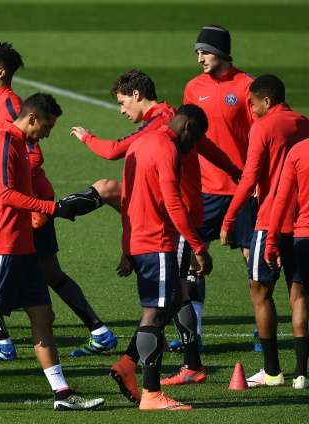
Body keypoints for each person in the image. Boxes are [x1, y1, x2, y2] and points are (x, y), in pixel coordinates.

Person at [71, 70, 239, 387]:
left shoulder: (160, 127)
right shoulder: (174, 118)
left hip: (173, 221)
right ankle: (190, 365)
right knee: (177, 293)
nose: (122, 110)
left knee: (167, 299)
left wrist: (87, 138)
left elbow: (113, 151)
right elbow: (208, 147)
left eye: (123, 102)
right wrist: (238, 172)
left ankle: (140, 370)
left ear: (136, 95)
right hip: (181, 215)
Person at [0, 93, 104, 413]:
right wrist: (52, 208)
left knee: (43, 315)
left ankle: (62, 393)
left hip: (23, 247)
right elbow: (4, 194)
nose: (47, 134)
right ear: (32, 118)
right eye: (47, 126)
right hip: (4, 246)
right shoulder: (6, 141)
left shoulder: (16, 143)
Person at [0, 42, 116, 362]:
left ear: (0, 72)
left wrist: (30, 202)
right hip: (31, 202)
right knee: (50, 273)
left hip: (25, 206)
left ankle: (2, 344)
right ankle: (99, 332)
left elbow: (30, 155)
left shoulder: (10, 106)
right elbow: (5, 154)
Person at [110, 105, 213, 411]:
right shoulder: (167, 149)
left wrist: (126, 246)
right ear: (188, 126)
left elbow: (127, 199)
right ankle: (151, 392)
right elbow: (173, 202)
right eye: (195, 138)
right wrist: (198, 247)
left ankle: (128, 365)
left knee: (166, 305)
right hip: (157, 242)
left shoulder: (140, 143)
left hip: (140, 241)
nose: (193, 145)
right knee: (155, 314)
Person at [220, 74, 309, 387]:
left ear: (267, 101)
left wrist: (229, 218)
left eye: (253, 103)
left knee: (259, 293)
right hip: (301, 224)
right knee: (299, 295)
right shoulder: (304, 123)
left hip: (270, 220)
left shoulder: (263, 127)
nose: (251, 109)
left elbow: (250, 177)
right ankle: (301, 371)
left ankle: (272, 371)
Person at [183, 25, 256, 347]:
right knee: (193, 258)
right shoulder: (193, 88)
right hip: (206, 189)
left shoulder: (247, 87)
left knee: (253, 261)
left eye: (205, 52)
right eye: (198, 52)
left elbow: (261, 136)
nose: (200, 58)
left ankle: (262, 330)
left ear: (222, 53)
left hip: (243, 190)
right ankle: (193, 333)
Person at [266, 136, 309, 390]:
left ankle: (300, 374)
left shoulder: (299, 151)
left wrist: (271, 241)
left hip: (304, 236)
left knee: (300, 297)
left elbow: (281, 200)